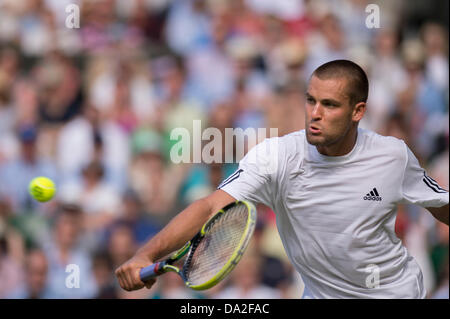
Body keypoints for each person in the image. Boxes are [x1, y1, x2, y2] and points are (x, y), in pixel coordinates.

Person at [115, 60, 449, 298]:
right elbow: (208, 207)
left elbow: (441, 205)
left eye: (329, 105)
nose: (314, 113)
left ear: (357, 112)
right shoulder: (276, 156)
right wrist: (145, 255)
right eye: (310, 100)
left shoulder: (392, 156)